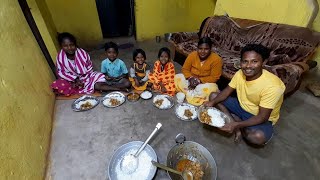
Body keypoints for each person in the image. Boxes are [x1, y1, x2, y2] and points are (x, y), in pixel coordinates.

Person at [204, 44, 285, 146]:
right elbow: (227, 91)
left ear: (263, 62)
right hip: (241, 106)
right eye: (245, 61)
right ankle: (236, 124)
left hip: (259, 116)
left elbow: (262, 117)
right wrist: (212, 102)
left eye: (254, 61)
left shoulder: (273, 86)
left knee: (258, 137)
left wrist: (236, 125)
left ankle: (235, 123)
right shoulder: (240, 73)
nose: (248, 66)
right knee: (213, 97)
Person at [175, 37, 222, 106]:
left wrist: (199, 80)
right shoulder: (192, 55)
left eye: (206, 49)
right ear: (197, 48)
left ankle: (188, 93)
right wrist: (190, 78)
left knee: (213, 88)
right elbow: (185, 69)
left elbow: (215, 77)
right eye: (200, 49)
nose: (203, 52)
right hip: (190, 80)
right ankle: (194, 96)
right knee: (177, 77)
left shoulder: (217, 60)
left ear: (210, 49)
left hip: (204, 83)